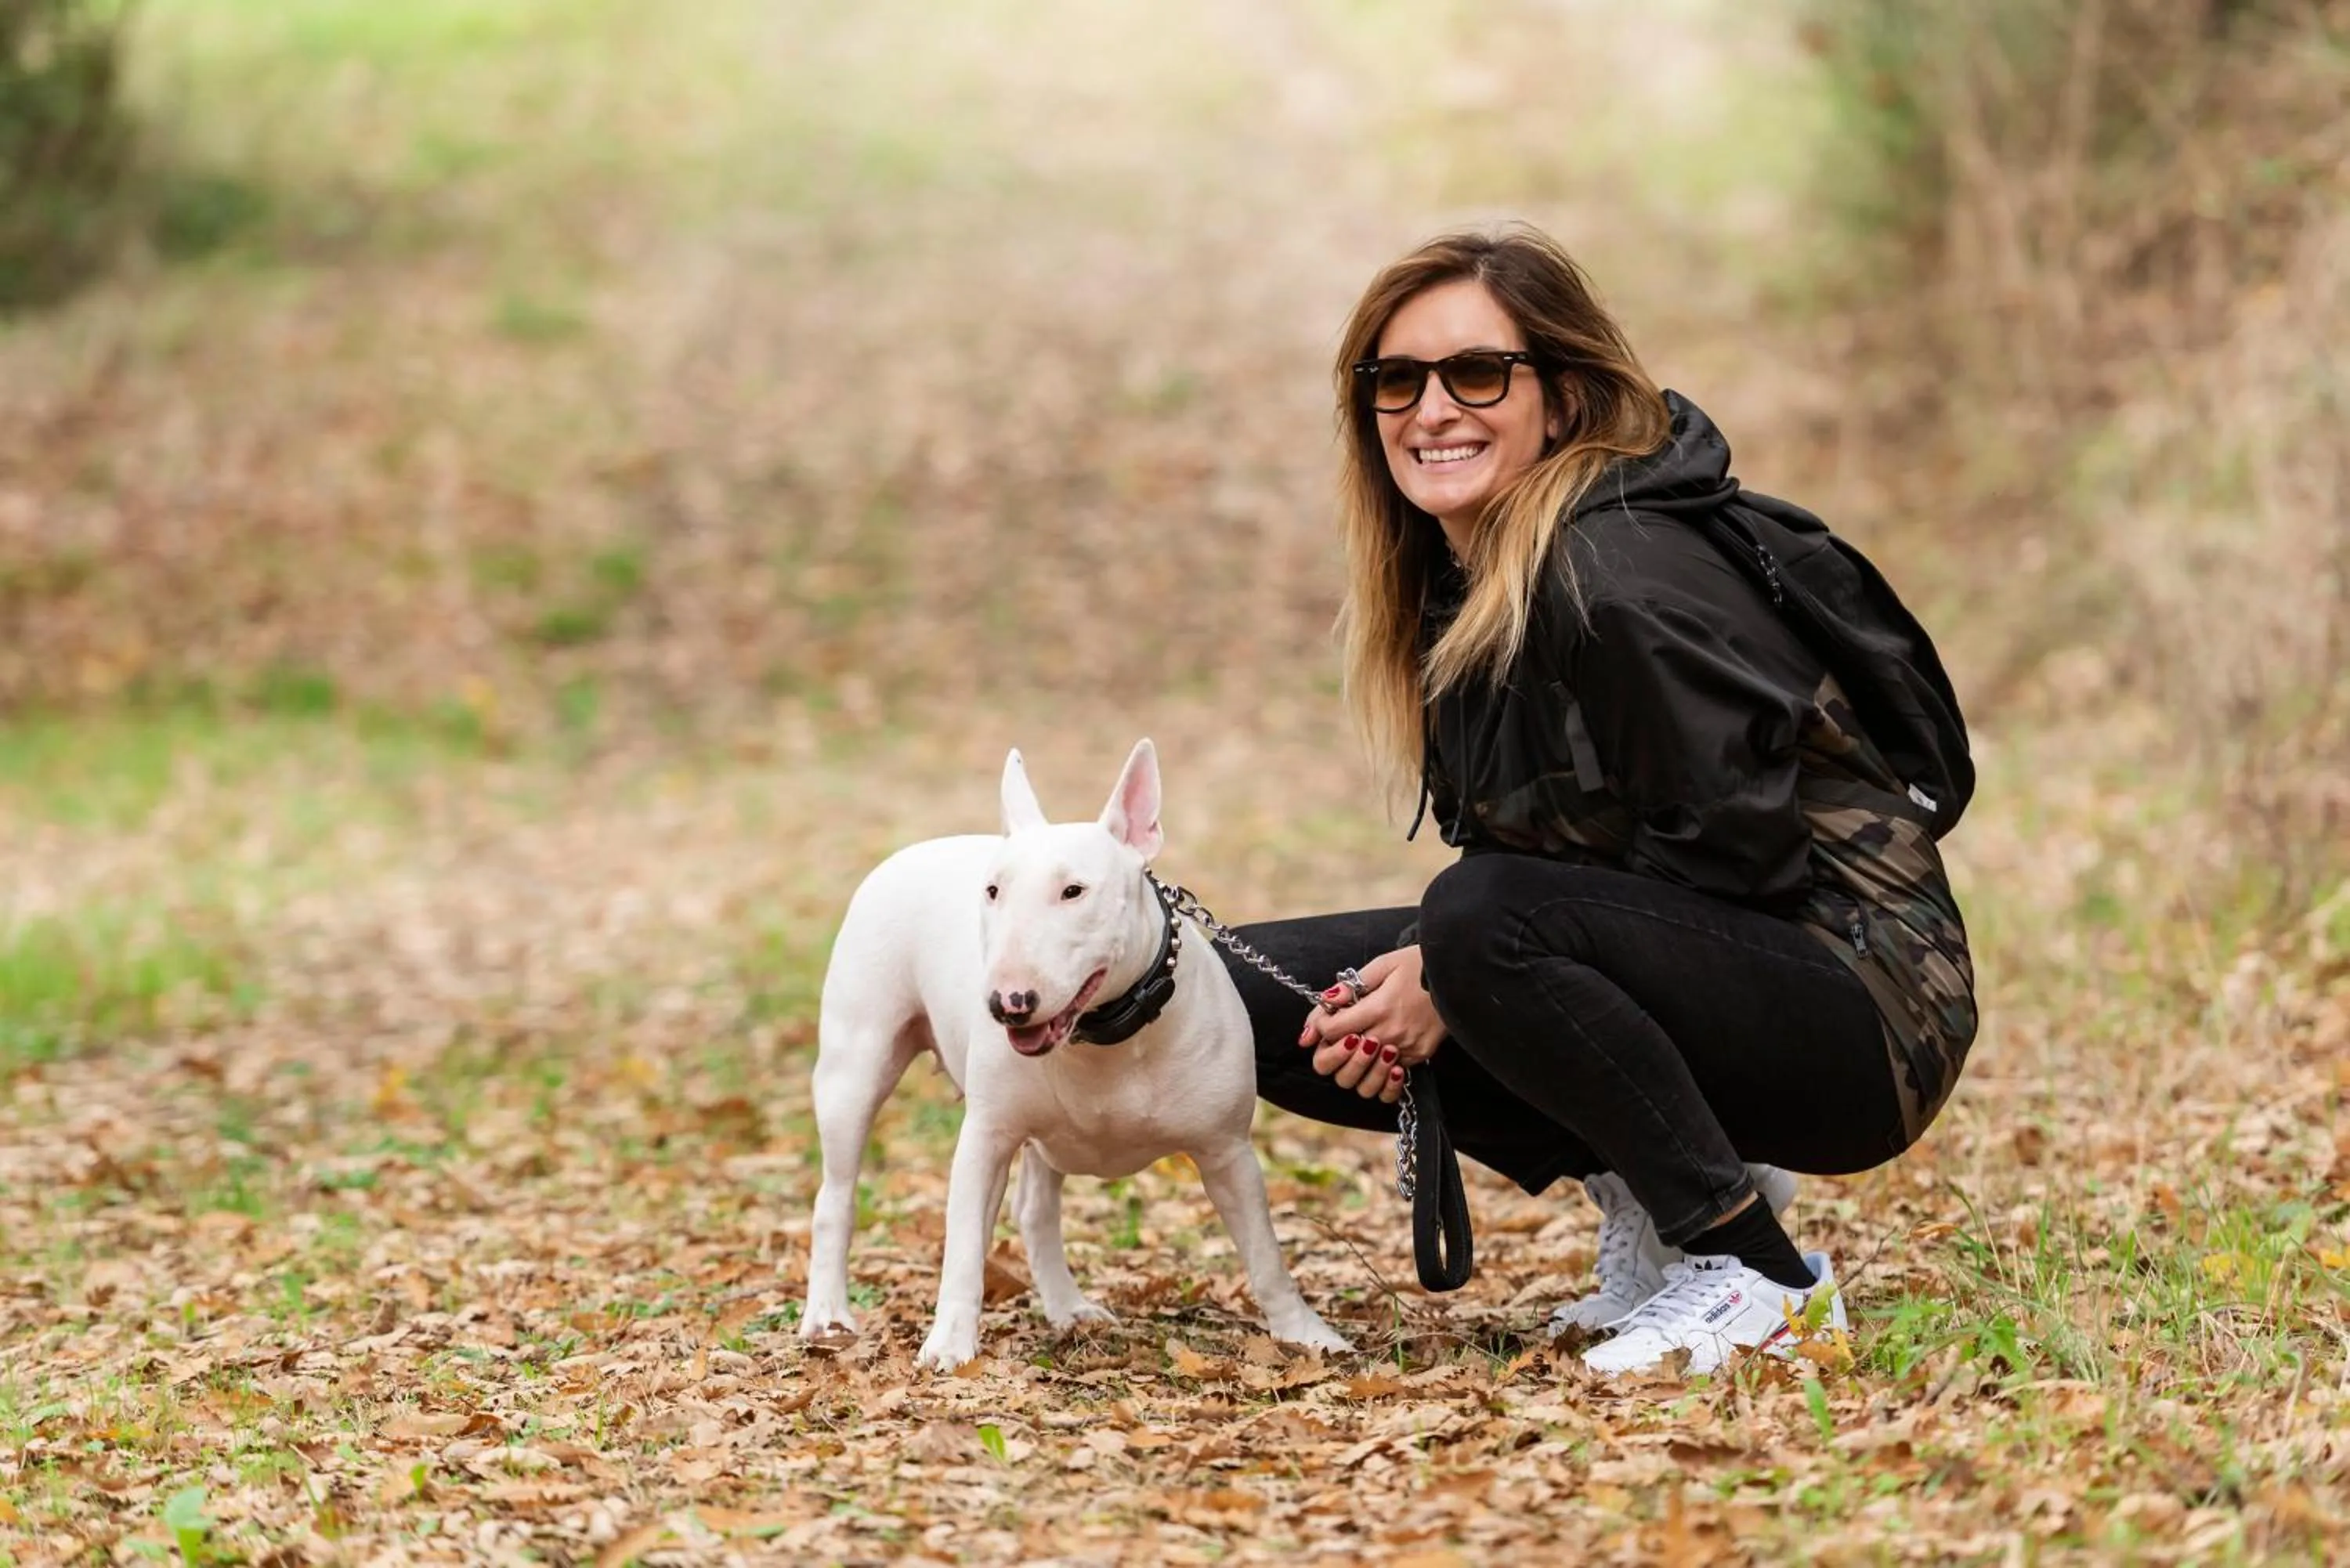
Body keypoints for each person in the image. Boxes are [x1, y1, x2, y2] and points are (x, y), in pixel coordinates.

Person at [1219, 225, 1977, 1376]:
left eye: (1478, 373)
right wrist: (1439, 979)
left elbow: (1739, 854)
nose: (1433, 410)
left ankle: (1756, 1274)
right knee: (1251, 999)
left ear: (1562, 398)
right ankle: (1666, 1190)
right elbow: (1537, 850)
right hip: (1709, 965)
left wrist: (1453, 974)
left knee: (1478, 923)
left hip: (1865, 1012)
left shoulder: (1616, 576)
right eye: (1397, 380)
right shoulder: (1467, 580)